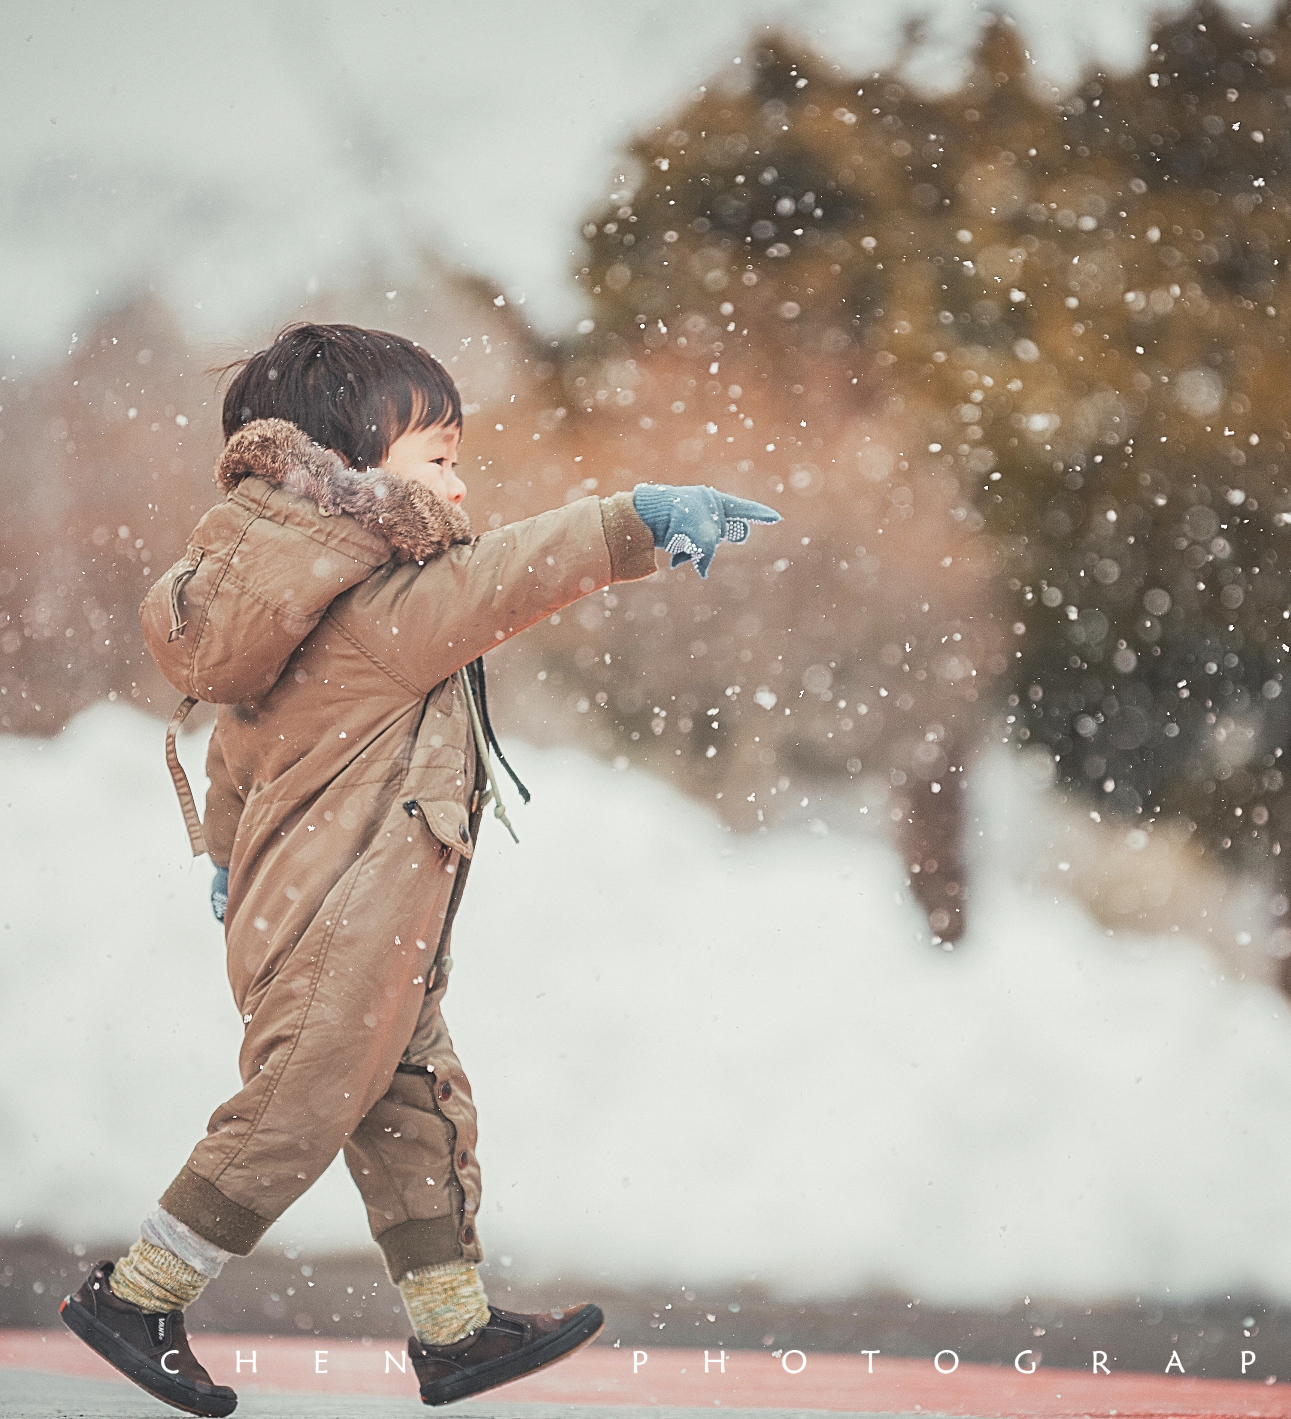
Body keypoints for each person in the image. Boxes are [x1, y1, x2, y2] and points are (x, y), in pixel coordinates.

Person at [59, 323, 779, 1415]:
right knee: (294, 1114)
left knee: (413, 1112)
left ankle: (452, 1331)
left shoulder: (295, 607)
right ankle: (137, 1296)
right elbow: (508, 573)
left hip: (354, 915)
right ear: (350, 467)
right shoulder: (385, 608)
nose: (457, 479)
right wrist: (635, 521)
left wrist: (225, 859)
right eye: (436, 456)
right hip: (339, 922)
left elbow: (236, 752)